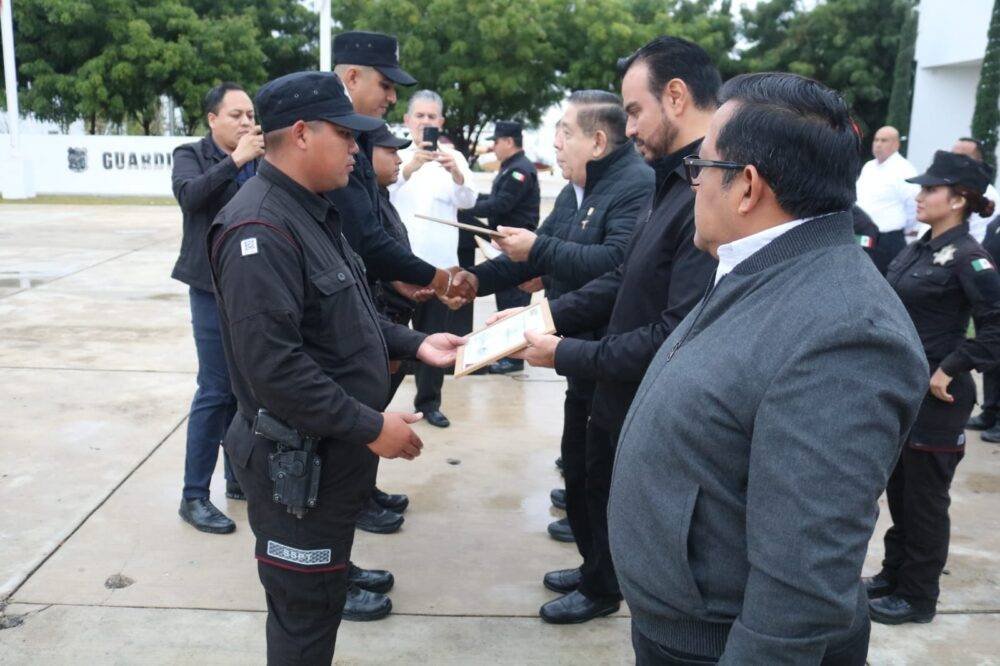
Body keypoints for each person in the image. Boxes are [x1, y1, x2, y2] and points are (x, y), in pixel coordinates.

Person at [608, 71, 928, 665]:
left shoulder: (845, 333)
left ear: (747, 186)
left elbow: (800, 591)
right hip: (682, 628)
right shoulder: (761, 267)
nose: (693, 185)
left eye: (701, 168)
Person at [208, 71, 465, 664]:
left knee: (320, 601)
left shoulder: (311, 211)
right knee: (304, 621)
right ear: (301, 134)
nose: (357, 149)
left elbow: (350, 311)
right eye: (346, 136)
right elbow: (276, 369)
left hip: (327, 459)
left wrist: (414, 342)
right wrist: (373, 427)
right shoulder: (260, 229)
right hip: (294, 469)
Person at [496, 36, 720, 624]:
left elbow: (678, 330)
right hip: (615, 373)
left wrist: (566, 351)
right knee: (592, 480)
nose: (631, 129)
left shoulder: (704, 191)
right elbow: (624, 277)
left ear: (675, 97)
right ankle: (599, 573)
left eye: (636, 112)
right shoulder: (671, 179)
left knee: (617, 492)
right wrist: (536, 318)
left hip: (645, 385)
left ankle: (605, 588)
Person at [451, 90, 653, 549]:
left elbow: (617, 264)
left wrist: (539, 253)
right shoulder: (580, 188)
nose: (556, 144)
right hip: (574, 345)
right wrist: (470, 281)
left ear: (597, 142)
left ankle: (601, 574)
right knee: (577, 459)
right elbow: (534, 253)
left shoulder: (635, 185)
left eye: (565, 132)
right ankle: (590, 562)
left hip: (607, 349)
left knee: (599, 465)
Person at [329, 31, 473, 542]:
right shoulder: (340, 142)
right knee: (342, 426)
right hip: (336, 310)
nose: (392, 98)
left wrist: (406, 281)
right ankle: (337, 548)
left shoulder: (359, 138)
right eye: (386, 85)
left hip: (372, 302)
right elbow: (365, 238)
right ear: (351, 77)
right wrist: (438, 277)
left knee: (364, 410)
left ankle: (352, 513)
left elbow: (369, 237)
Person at [867, 150, 1000, 626]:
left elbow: (994, 327)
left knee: (925, 501)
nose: (919, 196)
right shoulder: (921, 246)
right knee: (901, 492)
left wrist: (951, 367)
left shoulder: (971, 257)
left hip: (938, 399)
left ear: (959, 199)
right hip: (904, 390)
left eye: (929, 189)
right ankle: (893, 575)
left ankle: (918, 597)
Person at [171, 82, 263, 534]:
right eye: (236, 115)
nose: (247, 122)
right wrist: (237, 160)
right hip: (209, 289)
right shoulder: (191, 155)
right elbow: (192, 198)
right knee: (215, 390)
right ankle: (193, 495)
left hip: (252, 290)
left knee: (247, 387)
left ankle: (237, 478)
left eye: (250, 115)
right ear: (212, 119)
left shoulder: (262, 158)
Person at [390, 90, 478, 428]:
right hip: (399, 267)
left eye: (432, 117)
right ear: (408, 120)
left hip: (440, 268)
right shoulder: (396, 153)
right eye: (420, 117)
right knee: (393, 338)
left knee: (434, 336)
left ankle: (429, 403)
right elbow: (382, 191)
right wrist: (409, 168)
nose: (426, 123)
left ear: (440, 122)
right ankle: (379, 402)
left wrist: (456, 171)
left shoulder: (453, 157)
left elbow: (469, 200)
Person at [466, 120, 541, 373]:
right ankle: (508, 354)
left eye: (496, 142)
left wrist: (466, 207)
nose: (494, 147)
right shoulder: (511, 167)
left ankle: (514, 359)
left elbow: (501, 204)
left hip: (519, 246)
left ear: (509, 142)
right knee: (505, 301)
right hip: (505, 244)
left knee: (513, 302)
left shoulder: (519, 170)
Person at [855, 126, 919, 272]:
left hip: (887, 239)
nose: (878, 144)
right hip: (863, 236)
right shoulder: (869, 167)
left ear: (896, 144)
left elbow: (913, 205)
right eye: (876, 140)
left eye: (884, 140)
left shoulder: (904, 169)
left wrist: (907, 228)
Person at [950, 138, 999, 243]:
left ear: (978, 162)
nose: (954, 161)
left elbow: (980, 238)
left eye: (961, 157)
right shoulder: (945, 185)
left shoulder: (987, 193)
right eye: (952, 155)